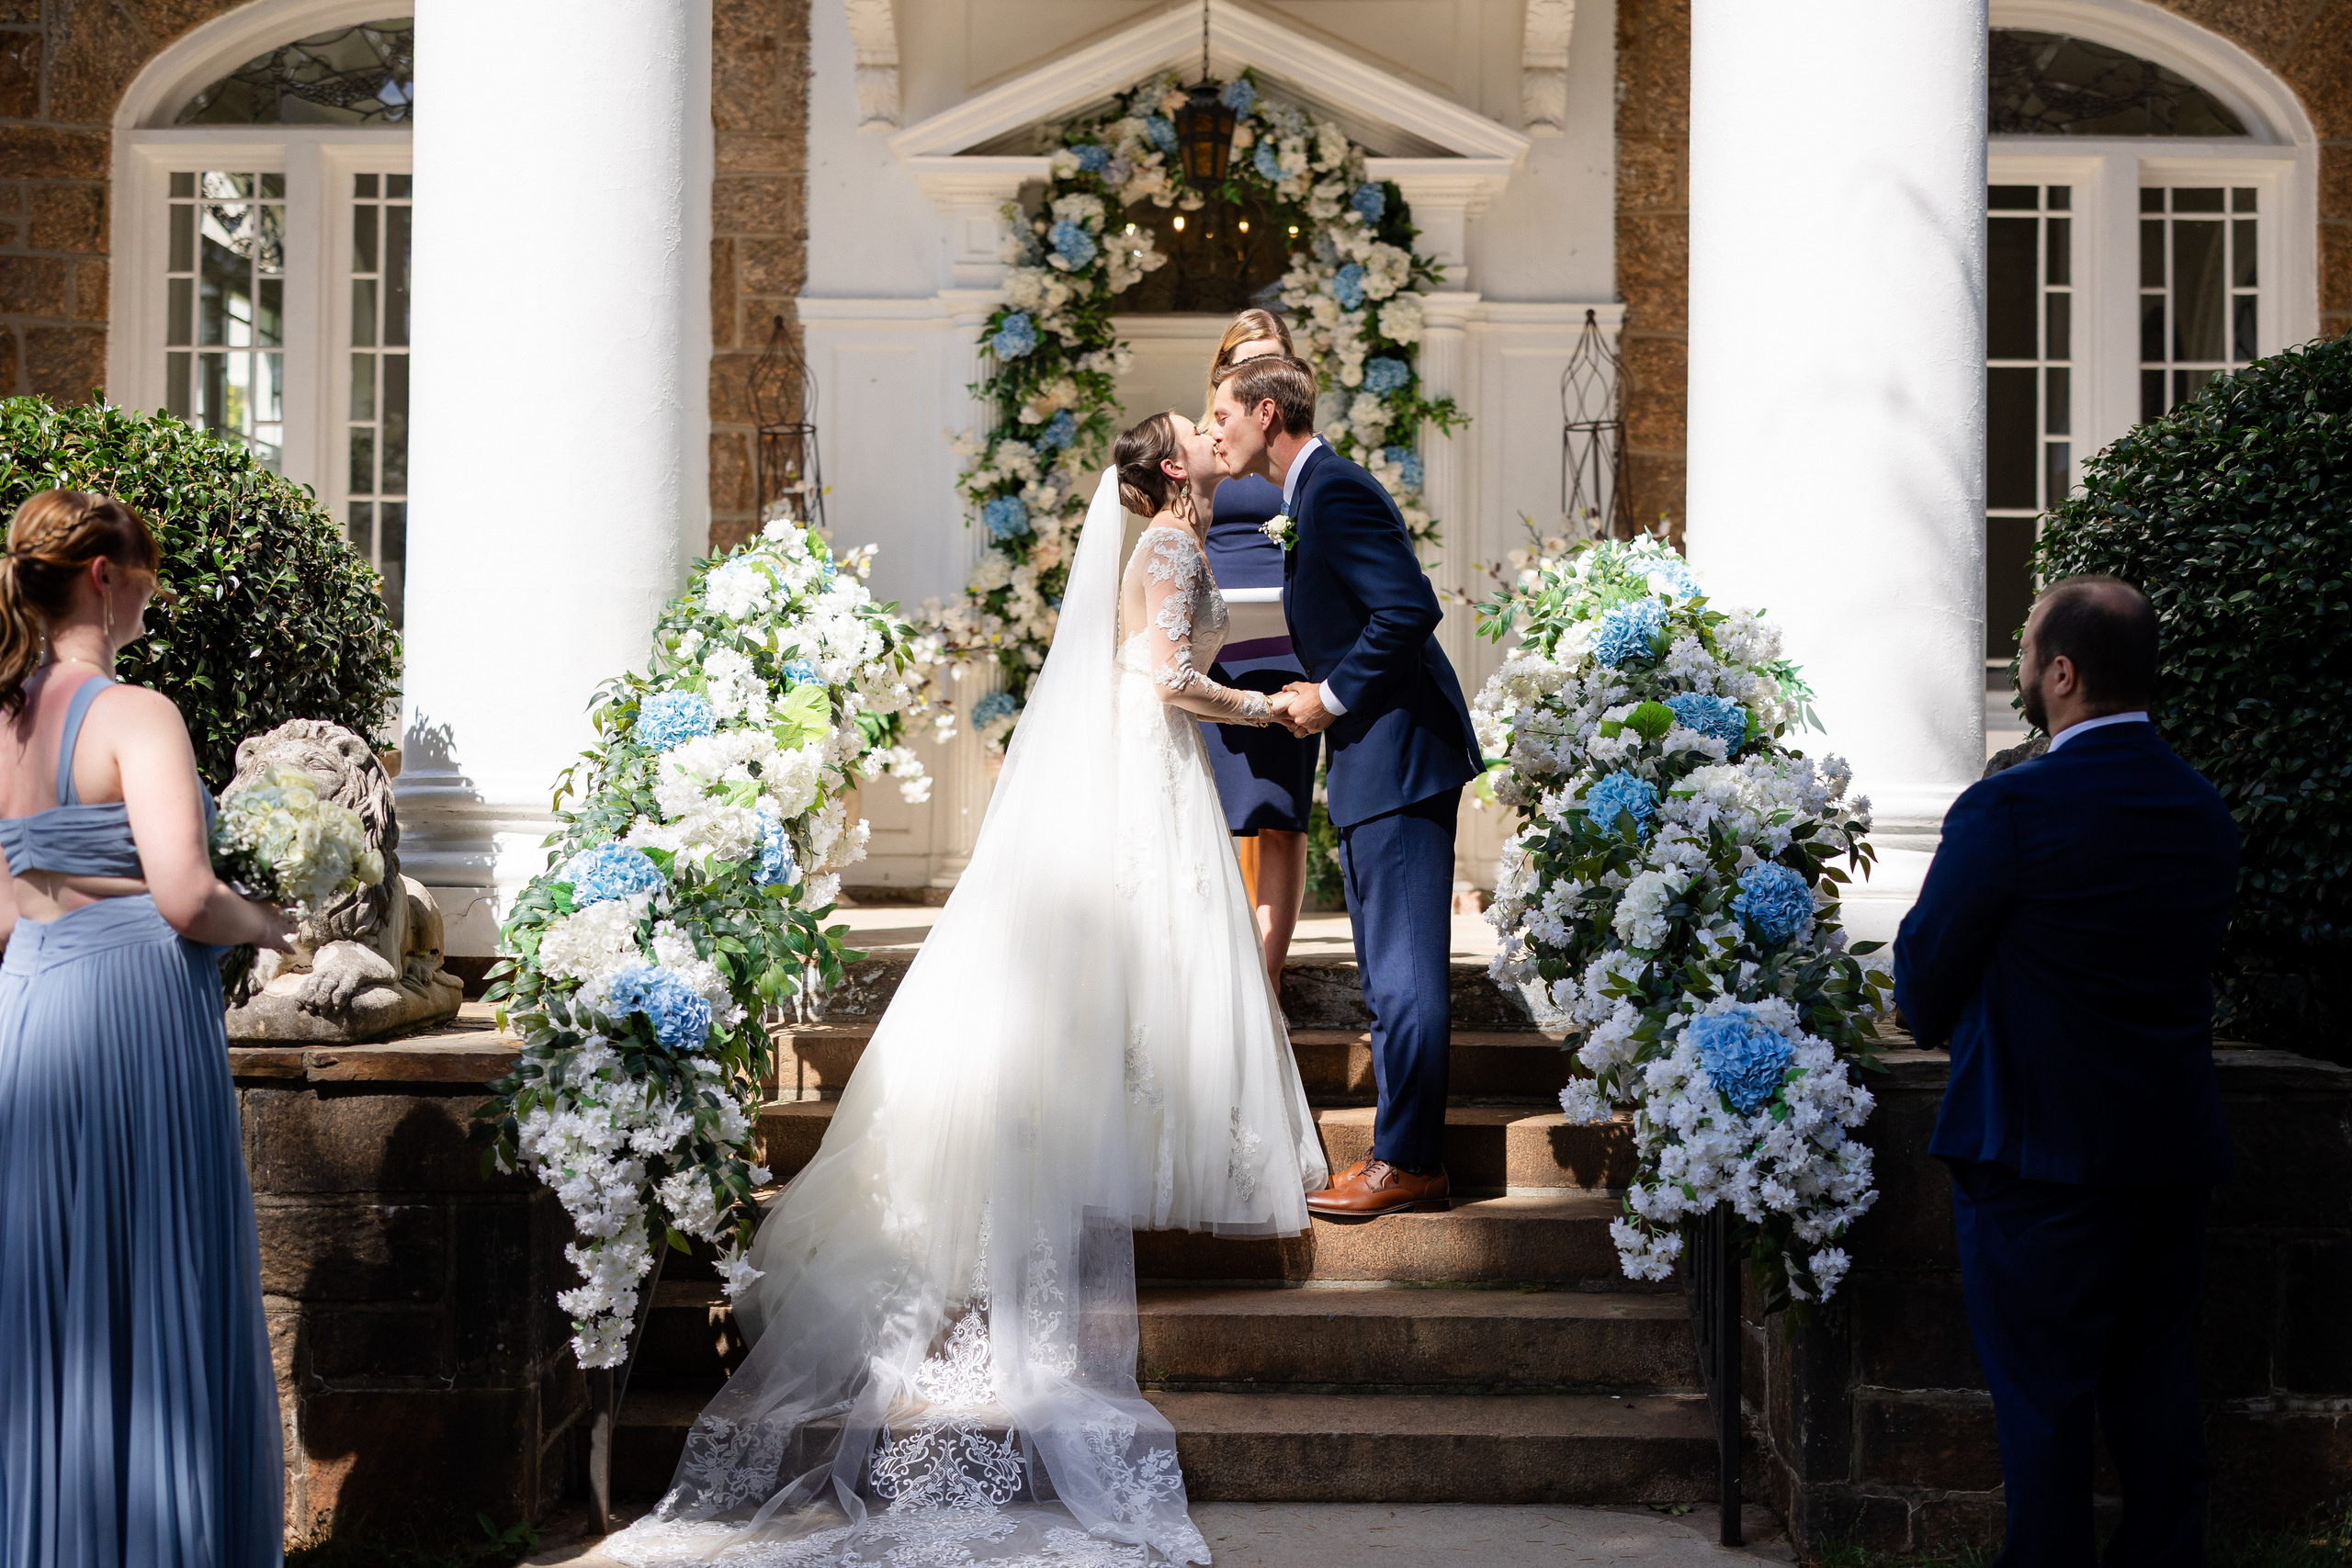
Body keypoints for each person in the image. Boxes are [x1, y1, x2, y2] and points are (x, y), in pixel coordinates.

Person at [606, 417, 1325, 1568]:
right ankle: (1116, 1143)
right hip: (1157, 765)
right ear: (1174, 471)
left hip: (1144, 770)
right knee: (1150, 965)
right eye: (1195, 432)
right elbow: (1171, 679)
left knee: (1147, 971)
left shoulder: (1160, 546)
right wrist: (1271, 707)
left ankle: (1117, 1134)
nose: (1207, 429)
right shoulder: (1172, 551)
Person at [1894, 575, 2238, 1568]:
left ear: (2061, 673)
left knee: (2043, 1406)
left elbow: (1922, 980)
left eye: (2026, 652)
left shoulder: (2010, 808)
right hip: (2169, 1150)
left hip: (2035, 1154)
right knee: (2158, 1387)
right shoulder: (2202, 808)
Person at [0, 491, 293, 1568]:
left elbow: (2, 909)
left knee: (54, 1288)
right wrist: (276, 926)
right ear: (104, 579)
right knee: (149, 1268)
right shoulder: (138, 714)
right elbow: (184, 897)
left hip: (27, 1010)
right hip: (130, 1014)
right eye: (148, 577)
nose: (150, 599)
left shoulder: (5, 714)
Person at [1209, 355, 1482, 1221]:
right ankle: (1406, 1155)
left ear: (1264, 413)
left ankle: (1408, 1160)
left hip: (1400, 756)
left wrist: (1325, 697)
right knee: (1386, 968)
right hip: (1375, 757)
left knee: (1403, 974)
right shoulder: (1307, 495)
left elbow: (1407, 607)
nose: (1214, 430)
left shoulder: (1333, 491)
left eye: (1223, 414)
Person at [1196, 310, 1319, 991]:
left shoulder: (1300, 452)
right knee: (1212, 811)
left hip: (1289, 644)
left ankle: (1264, 978)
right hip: (1217, 645)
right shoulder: (1206, 441)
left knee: (1280, 811)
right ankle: (1219, 968)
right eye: (1238, 361)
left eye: (1266, 359)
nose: (1249, 372)